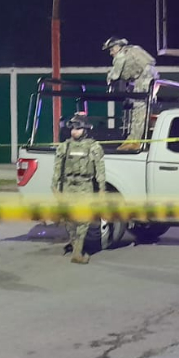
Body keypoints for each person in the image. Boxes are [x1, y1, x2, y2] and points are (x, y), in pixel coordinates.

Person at [52, 112, 107, 264]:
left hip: (85, 186)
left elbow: (100, 169)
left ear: (85, 129)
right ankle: (75, 246)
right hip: (68, 185)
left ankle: (77, 252)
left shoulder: (94, 147)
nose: (74, 131)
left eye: (78, 128)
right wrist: (55, 186)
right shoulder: (65, 146)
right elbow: (58, 167)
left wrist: (102, 189)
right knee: (69, 219)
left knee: (83, 220)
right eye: (72, 128)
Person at [104, 36, 158, 151]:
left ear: (118, 47)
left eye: (111, 49)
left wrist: (109, 76)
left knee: (138, 111)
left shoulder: (121, 55)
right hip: (151, 77)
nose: (111, 53)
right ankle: (136, 140)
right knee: (144, 110)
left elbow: (115, 75)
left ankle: (134, 141)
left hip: (144, 80)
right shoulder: (134, 49)